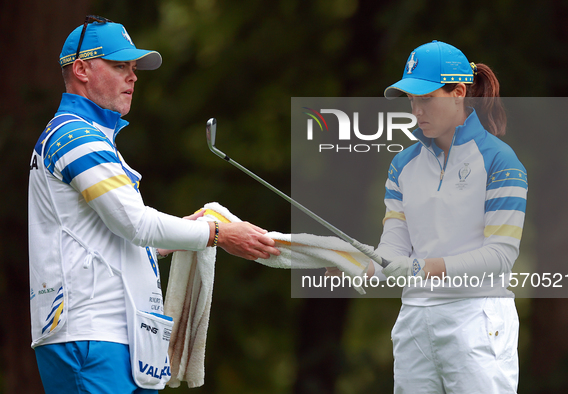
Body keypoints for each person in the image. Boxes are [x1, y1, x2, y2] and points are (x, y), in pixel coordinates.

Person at [28, 16, 280, 394]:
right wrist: (217, 233)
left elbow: (119, 239)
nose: (133, 77)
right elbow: (136, 224)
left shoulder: (93, 137)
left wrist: (184, 234)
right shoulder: (74, 133)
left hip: (118, 337)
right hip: (90, 337)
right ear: (81, 69)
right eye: (119, 66)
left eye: (133, 69)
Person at [329, 40, 527, 393]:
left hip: (476, 319)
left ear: (458, 93)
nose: (416, 111)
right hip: (415, 320)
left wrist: (420, 268)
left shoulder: (500, 161)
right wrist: (359, 263)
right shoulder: (402, 165)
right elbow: (394, 249)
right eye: (411, 100)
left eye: (426, 99)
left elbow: (501, 256)